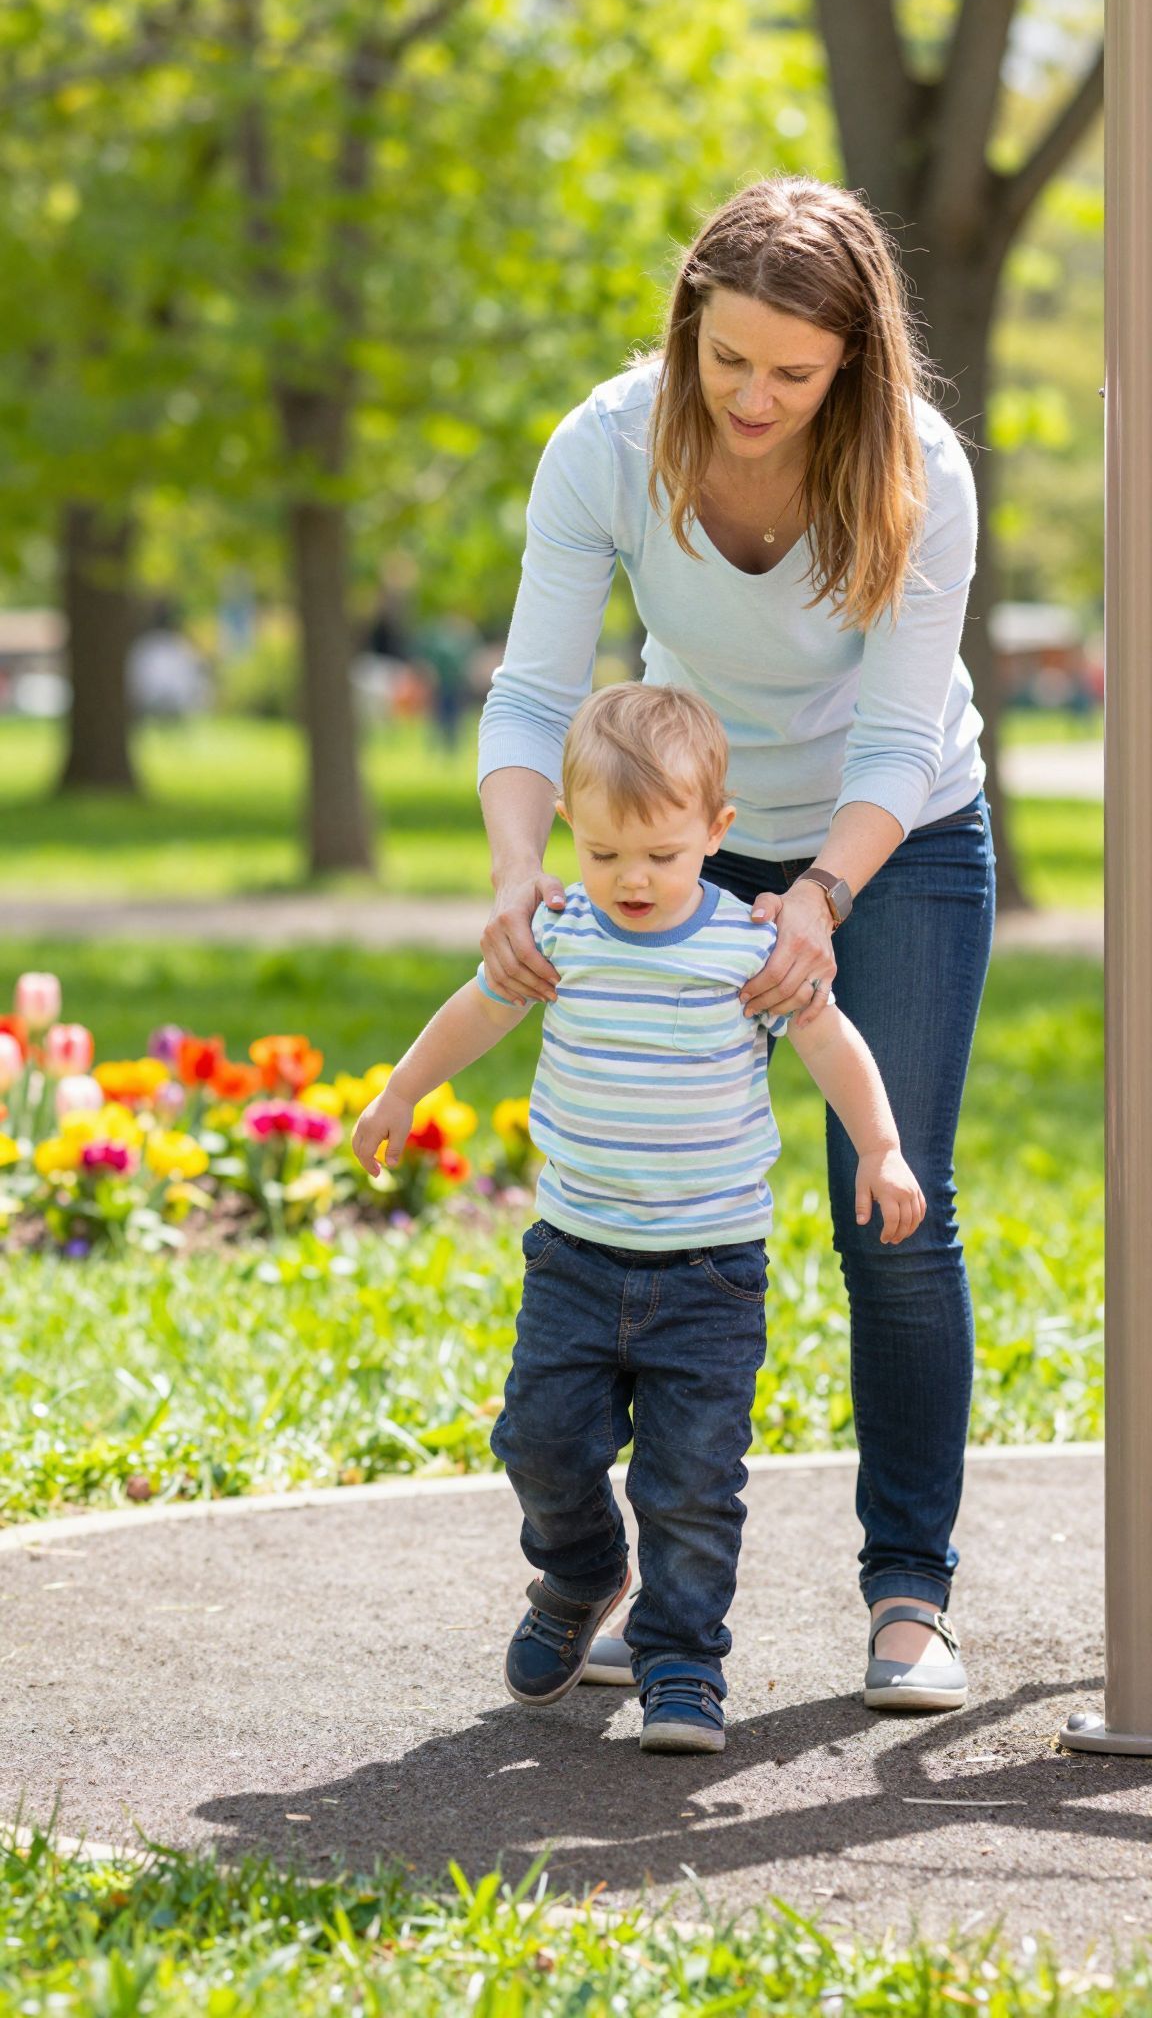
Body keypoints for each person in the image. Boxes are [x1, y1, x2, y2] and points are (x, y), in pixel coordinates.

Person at [475, 175, 994, 1710]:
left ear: (855, 363)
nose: (756, 398)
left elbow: (901, 734)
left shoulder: (918, 467)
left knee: (889, 1207)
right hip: (681, 827)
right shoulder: (608, 445)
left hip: (887, 840)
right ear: (687, 326)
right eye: (729, 362)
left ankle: (910, 1594)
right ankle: (657, 1580)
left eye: (797, 373)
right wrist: (517, 870)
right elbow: (531, 689)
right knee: (658, 1217)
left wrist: (821, 899)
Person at [353, 684, 924, 1754]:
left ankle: (680, 1661)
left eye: (662, 854)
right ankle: (579, 1573)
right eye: (608, 853)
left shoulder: (748, 947)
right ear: (573, 829)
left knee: (693, 1484)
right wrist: (401, 1090)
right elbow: (477, 1009)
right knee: (537, 1438)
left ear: (717, 832)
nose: (633, 879)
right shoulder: (564, 930)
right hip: (574, 1259)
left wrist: (883, 1145)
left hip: (709, 1275)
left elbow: (833, 1044)